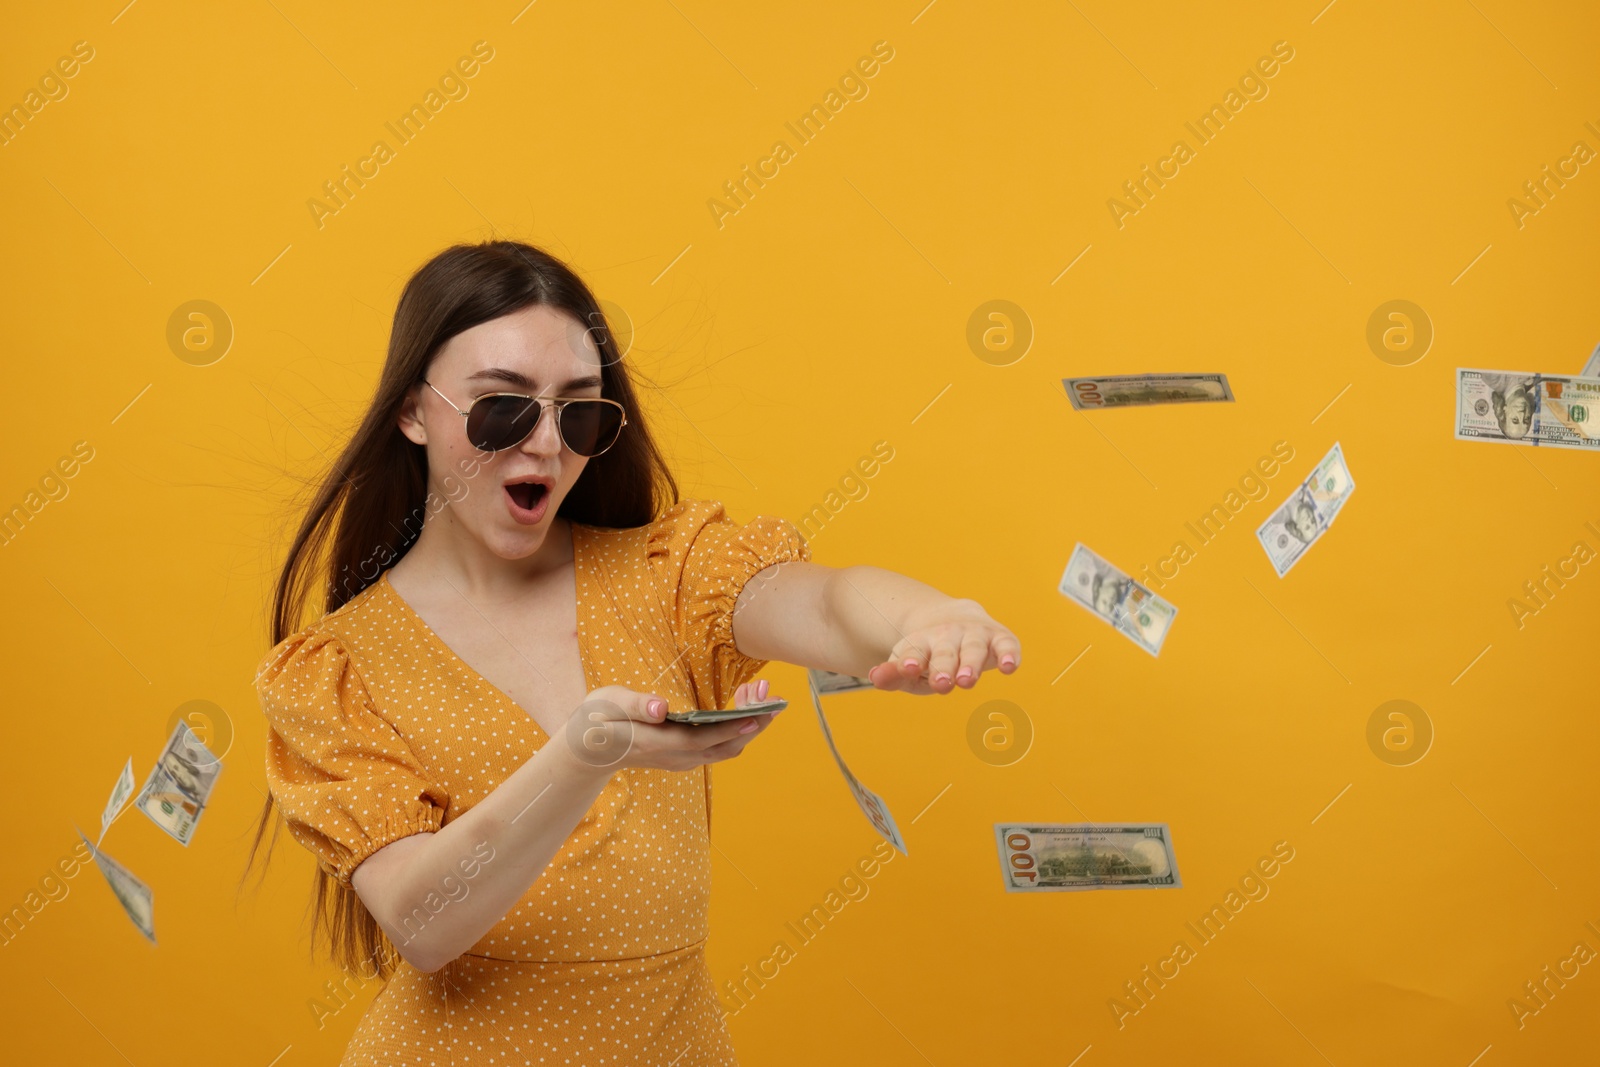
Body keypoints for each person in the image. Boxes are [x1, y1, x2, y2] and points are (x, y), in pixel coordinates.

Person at [248, 240, 1021, 1066]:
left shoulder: (666, 575)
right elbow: (423, 922)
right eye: (501, 407)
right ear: (412, 410)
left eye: (578, 411)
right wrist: (584, 753)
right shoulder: (339, 667)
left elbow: (825, 601)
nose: (545, 445)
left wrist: (929, 615)